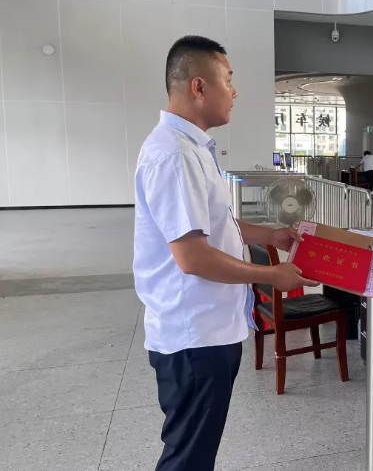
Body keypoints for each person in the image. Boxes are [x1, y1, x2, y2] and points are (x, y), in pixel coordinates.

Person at [133, 35, 317, 471]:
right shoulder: (174, 156)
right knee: (188, 458)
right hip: (195, 337)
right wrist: (272, 276)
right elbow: (193, 257)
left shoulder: (193, 149)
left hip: (209, 330)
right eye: (228, 80)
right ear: (199, 87)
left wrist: (270, 236)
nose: (234, 92)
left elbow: (217, 225)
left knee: (194, 453)